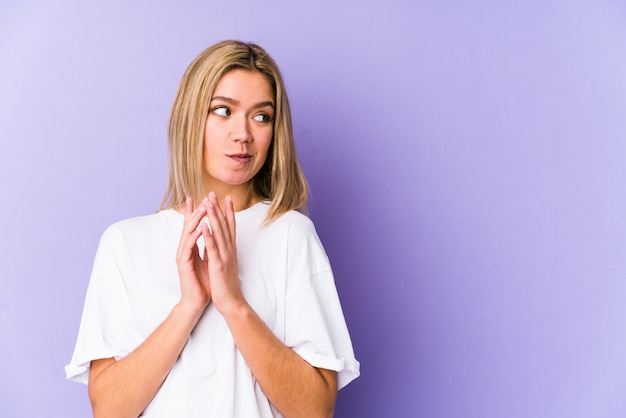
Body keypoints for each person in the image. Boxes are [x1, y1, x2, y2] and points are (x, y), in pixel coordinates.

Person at [65, 40, 360, 417]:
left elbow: (315, 410)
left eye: (262, 116)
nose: (243, 134)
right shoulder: (124, 243)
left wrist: (233, 303)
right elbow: (108, 409)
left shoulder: (290, 236)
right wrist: (189, 306)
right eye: (223, 110)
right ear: (191, 118)